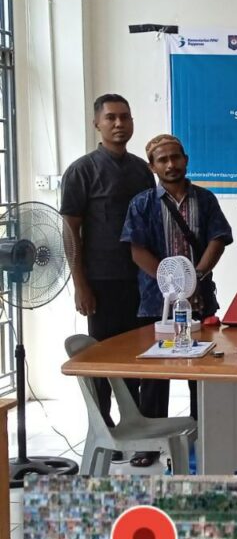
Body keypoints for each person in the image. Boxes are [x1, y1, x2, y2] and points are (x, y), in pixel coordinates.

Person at [121, 134, 233, 466]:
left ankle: (205, 436)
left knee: (202, 373)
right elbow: (136, 250)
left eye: (176, 157)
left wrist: (195, 278)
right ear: (153, 166)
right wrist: (171, 283)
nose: (171, 164)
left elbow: (218, 239)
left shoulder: (205, 199)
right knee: (155, 377)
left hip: (200, 301)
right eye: (163, 160)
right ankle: (149, 444)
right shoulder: (141, 203)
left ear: (186, 159)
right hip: (157, 303)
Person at [60, 95, 154, 436]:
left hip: (142, 281)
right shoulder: (82, 170)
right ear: (96, 123)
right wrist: (80, 284)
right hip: (102, 281)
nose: (119, 124)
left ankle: (136, 425)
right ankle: (102, 428)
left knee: (139, 358)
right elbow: (70, 230)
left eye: (125, 117)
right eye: (111, 117)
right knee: (102, 358)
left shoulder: (142, 170)